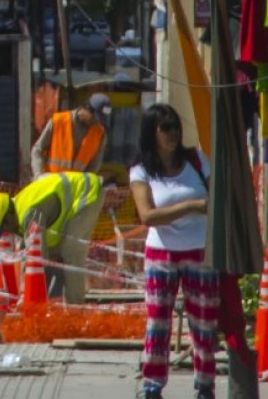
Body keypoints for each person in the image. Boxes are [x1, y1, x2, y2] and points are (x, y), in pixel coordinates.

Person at [129, 103, 216, 399]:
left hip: (200, 251)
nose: (173, 133)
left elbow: (217, 199)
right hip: (161, 255)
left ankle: (205, 385)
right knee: (158, 322)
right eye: (165, 128)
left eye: (175, 126)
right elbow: (147, 216)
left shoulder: (196, 160)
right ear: (152, 132)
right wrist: (192, 206)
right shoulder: (141, 171)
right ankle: (152, 386)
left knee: (203, 322)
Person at [0, 170, 105, 304]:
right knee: (56, 253)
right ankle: (54, 304)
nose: (7, 233)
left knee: (71, 253)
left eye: (3, 229)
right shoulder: (19, 210)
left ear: (7, 218)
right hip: (77, 196)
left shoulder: (29, 213)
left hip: (87, 192)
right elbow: (39, 256)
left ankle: (77, 308)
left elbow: (39, 259)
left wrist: (26, 295)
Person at [31, 93, 111, 176]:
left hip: (75, 187)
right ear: (87, 108)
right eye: (95, 118)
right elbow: (37, 150)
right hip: (51, 184)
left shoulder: (99, 134)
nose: (96, 122)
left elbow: (93, 168)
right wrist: (39, 174)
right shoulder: (58, 122)